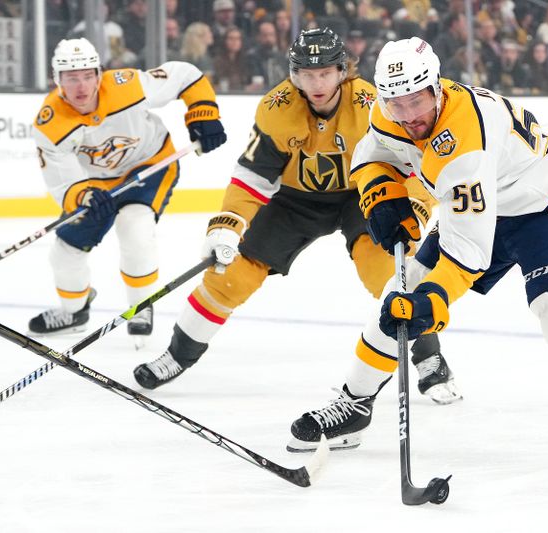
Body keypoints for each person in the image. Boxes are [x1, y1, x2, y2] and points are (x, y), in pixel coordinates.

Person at [287, 37, 548, 480]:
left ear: (436, 87)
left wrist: (431, 304)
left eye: (416, 101)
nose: (408, 116)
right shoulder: (386, 112)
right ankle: (355, 402)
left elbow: (467, 252)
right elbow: (372, 153)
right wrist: (381, 196)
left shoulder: (466, 142)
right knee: (398, 290)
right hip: (490, 204)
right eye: (396, 103)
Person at [132, 28, 461, 406]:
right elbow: (253, 177)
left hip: (361, 194)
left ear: (343, 71)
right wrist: (227, 224)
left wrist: (415, 205)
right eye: (306, 73)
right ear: (294, 74)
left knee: (390, 272)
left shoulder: (373, 105)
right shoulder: (277, 109)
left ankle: (430, 358)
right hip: (294, 201)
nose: (316, 82)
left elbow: (412, 165)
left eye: (324, 73)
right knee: (231, 275)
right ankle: (178, 354)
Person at [28, 38, 226, 344]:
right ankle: (74, 311)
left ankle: (141, 305)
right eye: (70, 78)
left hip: (149, 165)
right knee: (64, 252)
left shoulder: (128, 85)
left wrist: (203, 114)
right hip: (96, 184)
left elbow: (185, 75)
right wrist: (83, 196)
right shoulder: (49, 124)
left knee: (135, 226)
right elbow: (61, 179)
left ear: (99, 73)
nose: (80, 87)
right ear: (57, 80)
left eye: (86, 76)